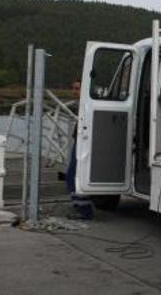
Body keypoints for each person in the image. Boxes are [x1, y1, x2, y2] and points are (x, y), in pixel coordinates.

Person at [65, 79, 94, 220]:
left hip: (83, 142)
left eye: (77, 88)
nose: (74, 92)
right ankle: (81, 207)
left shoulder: (87, 105)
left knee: (73, 175)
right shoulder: (83, 105)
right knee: (72, 175)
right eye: (73, 88)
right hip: (79, 140)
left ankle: (84, 209)